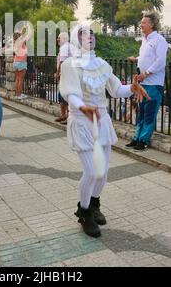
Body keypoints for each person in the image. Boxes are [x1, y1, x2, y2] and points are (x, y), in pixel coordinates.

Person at [59, 25, 149, 238]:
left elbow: (116, 89)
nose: (89, 36)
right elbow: (70, 94)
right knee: (91, 172)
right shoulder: (70, 65)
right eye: (83, 34)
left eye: (91, 33)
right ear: (75, 38)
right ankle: (85, 213)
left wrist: (132, 88)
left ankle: (95, 203)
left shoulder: (101, 64)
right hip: (82, 121)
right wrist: (82, 107)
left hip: (102, 121)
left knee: (103, 173)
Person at [126, 12, 168, 151]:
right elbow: (146, 57)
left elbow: (160, 61)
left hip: (154, 84)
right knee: (141, 112)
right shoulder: (145, 40)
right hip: (143, 83)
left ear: (151, 24)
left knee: (149, 113)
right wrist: (136, 59)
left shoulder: (159, 40)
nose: (141, 25)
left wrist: (146, 73)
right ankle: (137, 138)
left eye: (144, 23)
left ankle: (143, 141)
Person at [55, 32, 74, 124]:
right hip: (70, 75)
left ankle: (67, 117)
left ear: (63, 39)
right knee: (63, 95)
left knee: (65, 95)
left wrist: (58, 73)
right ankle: (64, 115)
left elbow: (62, 62)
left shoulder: (64, 47)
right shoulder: (70, 46)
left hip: (65, 75)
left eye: (59, 38)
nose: (57, 39)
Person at [13, 26, 29, 99]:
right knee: (21, 80)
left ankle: (16, 94)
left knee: (17, 79)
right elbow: (23, 34)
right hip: (22, 62)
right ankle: (19, 95)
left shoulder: (15, 43)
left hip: (16, 62)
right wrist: (24, 27)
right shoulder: (21, 42)